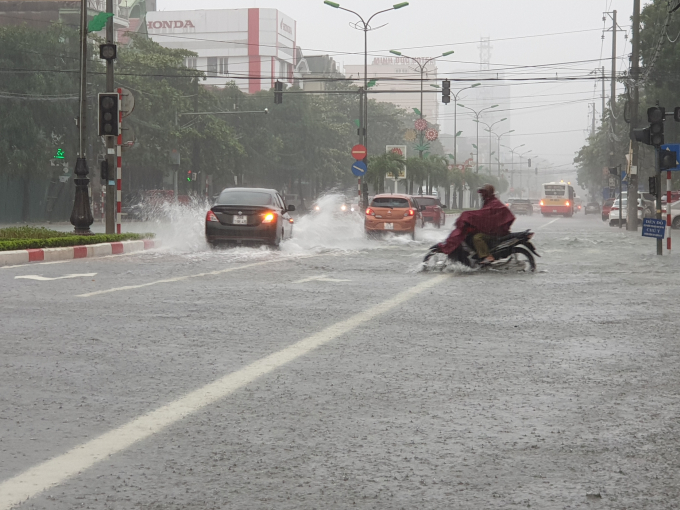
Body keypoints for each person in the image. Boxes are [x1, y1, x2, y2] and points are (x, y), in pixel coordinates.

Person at [437, 184, 515, 263]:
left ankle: (488, 256)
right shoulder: (489, 202)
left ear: (487, 193)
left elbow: (483, 214)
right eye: (481, 193)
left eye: (483, 193)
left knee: (477, 237)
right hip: (491, 230)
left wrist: (467, 216)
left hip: (496, 232)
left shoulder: (494, 203)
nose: (481, 195)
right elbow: (483, 216)